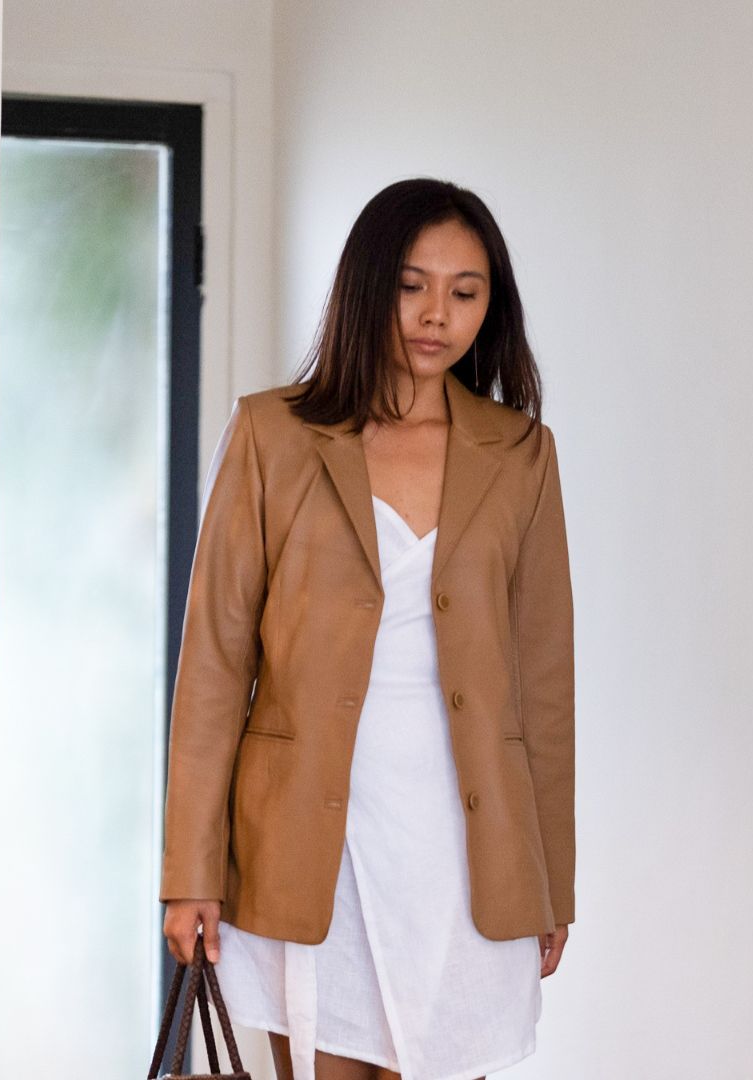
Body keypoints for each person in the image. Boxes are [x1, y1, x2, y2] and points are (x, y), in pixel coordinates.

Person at [160, 178, 575, 1080]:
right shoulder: (273, 435)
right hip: (310, 841)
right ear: (366, 286)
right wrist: (192, 868)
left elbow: (544, 684)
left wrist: (553, 881)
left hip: (465, 848)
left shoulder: (521, 455)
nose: (438, 315)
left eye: (466, 292)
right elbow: (216, 665)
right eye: (412, 285)